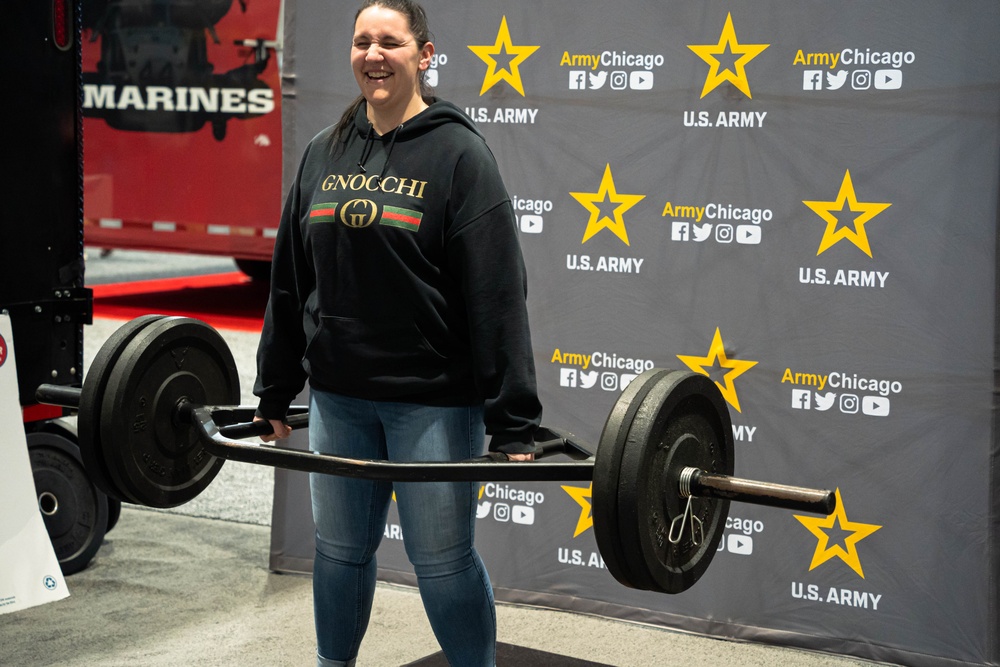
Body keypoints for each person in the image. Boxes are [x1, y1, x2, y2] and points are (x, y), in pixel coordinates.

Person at [252, 1, 542, 665]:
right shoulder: (324, 152)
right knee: (340, 552)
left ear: (425, 54)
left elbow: (496, 291)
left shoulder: (459, 154)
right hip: (338, 399)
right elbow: (292, 280)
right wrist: (274, 389)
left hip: (433, 402)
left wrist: (515, 419)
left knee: (440, 562)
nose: (373, 55)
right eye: (362, 42)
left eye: (390, 41)